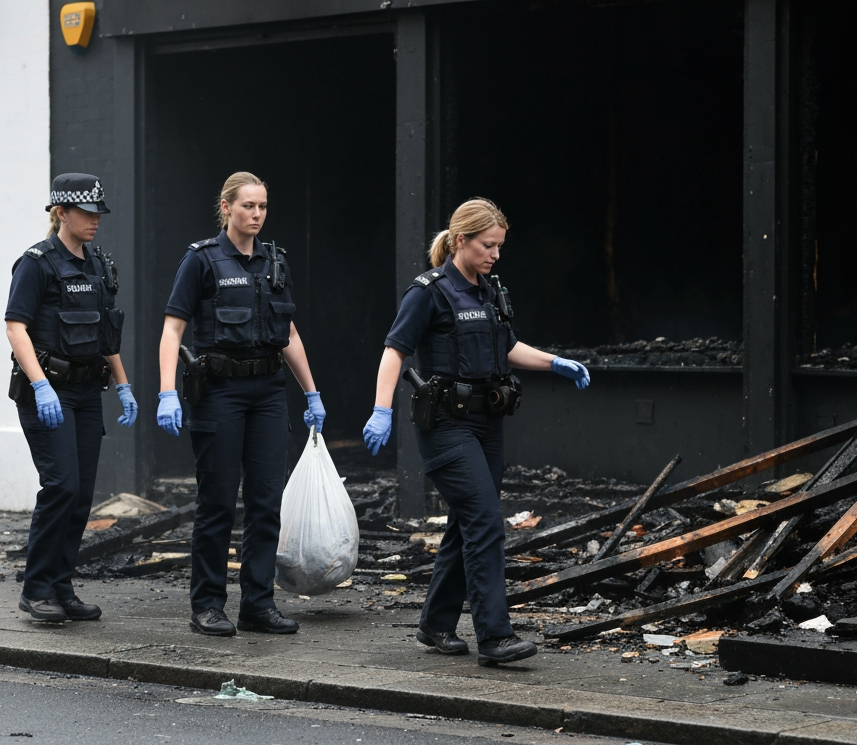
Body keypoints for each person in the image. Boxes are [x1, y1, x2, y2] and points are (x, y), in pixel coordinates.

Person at [361, 198, 591, 666]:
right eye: (488, 245)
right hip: (446, 425)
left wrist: (554, 363)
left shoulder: (488, 292)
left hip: (486, 425)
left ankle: (435, 624)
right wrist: (380, 409)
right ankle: (495, 637)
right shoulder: (428, 292)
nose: (495, 255)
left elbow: (507, 347)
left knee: (467, 522)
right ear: (460, 240)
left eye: (500, 246)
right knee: (485, 521)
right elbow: (394, 351)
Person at [155, 171, 324, 637]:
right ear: (226, 208)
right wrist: (167, 391)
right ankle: (208, 605)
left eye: (263, 206)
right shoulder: (202, 260)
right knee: (218, 503)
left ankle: (258, 604)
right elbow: (173, 329)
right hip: (220, 393)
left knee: (267, 503)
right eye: (248, 205)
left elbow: (288, 333)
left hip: (268, 392)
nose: (256, 214)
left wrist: (311, 391)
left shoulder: (275, 261)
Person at [4, 173, 136, 622]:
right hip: (49, 392)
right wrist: (40, 384)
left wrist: (123, 383)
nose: (95, 219)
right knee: (60, 486)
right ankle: (36, 588)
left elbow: (107, 333)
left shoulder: (98, 263)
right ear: (62, 212)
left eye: (99, 211)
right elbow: (16, 327)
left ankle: (61, 587)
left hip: (85, 391)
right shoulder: (36, 262)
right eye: (86, 212)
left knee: (79, 496)